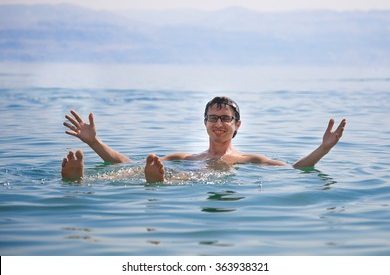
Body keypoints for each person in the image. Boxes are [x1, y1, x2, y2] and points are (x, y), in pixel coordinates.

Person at [61, 96, 346, 182]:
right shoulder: (184, 158)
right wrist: (94, 143)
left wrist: (322, 149)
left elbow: (296, 171)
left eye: (225, 118)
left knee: (168, 175)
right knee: (131, 172)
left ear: (237, 125)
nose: (219, 123)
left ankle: (159, 183)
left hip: (186, 180)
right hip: (182, 172)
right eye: (213, 118)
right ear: (205, 123)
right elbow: (126, 163)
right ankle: (82, 181)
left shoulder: (250, 160)